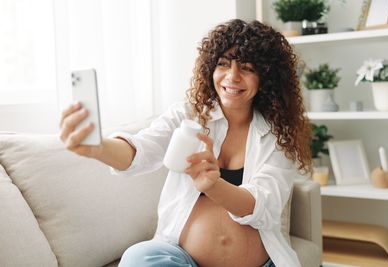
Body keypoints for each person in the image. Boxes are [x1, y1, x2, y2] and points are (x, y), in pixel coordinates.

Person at [59, 19, 312, 267]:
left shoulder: (279, 133)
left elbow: (264, 205)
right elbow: (140, 151)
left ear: (266, 78)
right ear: (211, 68)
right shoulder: (187, 115)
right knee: (138, 258)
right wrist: (98, 147)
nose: (231, 77)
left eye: (246, 68)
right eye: (223, 64)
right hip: (182, 260)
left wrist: (214, 185)